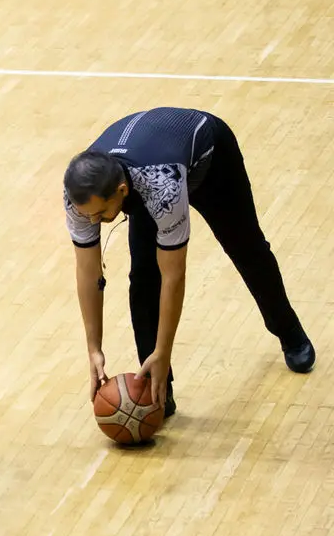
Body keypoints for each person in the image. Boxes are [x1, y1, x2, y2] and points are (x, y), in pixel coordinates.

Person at [63, 107, 315, 416]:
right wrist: (94, 348)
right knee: (143, 278)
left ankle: (289, 332)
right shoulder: (80, 196)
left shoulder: (160, 185)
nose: (93, 221)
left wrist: (164, 351)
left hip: (210, 164)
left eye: (100, 214)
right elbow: (89, 273)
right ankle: (157, 389)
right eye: (87, 214)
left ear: (121, 192)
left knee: (246, 248)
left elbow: (174, 276)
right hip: (150, 168)